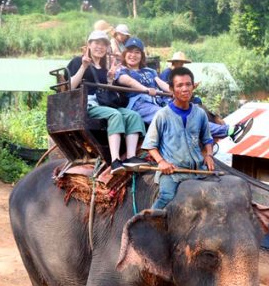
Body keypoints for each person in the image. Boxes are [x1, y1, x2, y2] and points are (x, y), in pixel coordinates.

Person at [67, 30, 147, 174]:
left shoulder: (104, 69)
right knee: (115, 115)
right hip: (87, 105)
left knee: (133, 115)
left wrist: (110, 80)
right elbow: (69, 86)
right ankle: (116, 160)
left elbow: (106, 94)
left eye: (103, 44)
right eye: (96, 43)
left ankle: (131, 157)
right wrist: (83, 67)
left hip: (104, 105)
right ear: (89, 45)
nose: (100, 47)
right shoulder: (77, 62)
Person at [142, 67, 214, 209]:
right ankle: (148, 227)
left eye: (188, 84)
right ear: (171, 89)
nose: (185, 89)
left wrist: (209, 155)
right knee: (166, 198)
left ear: (193, 87)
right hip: (173, 172)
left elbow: (207, 139)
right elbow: (150, 144)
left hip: (198, 170)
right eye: (180, 85)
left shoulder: (200, 113)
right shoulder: (162, 115)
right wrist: (162, 162)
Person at [115, 37, 170, 125]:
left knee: (178, 112)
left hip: (156, 101)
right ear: (125, 54)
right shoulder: (122, 70)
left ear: (142, 56)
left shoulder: (150, 70)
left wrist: (175, 91)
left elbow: (161, 83)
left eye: (137, 52)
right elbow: (128, 81)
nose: (133, 55)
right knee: (164, 115)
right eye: (130, 51)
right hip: (138, 103)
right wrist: (146, 90)